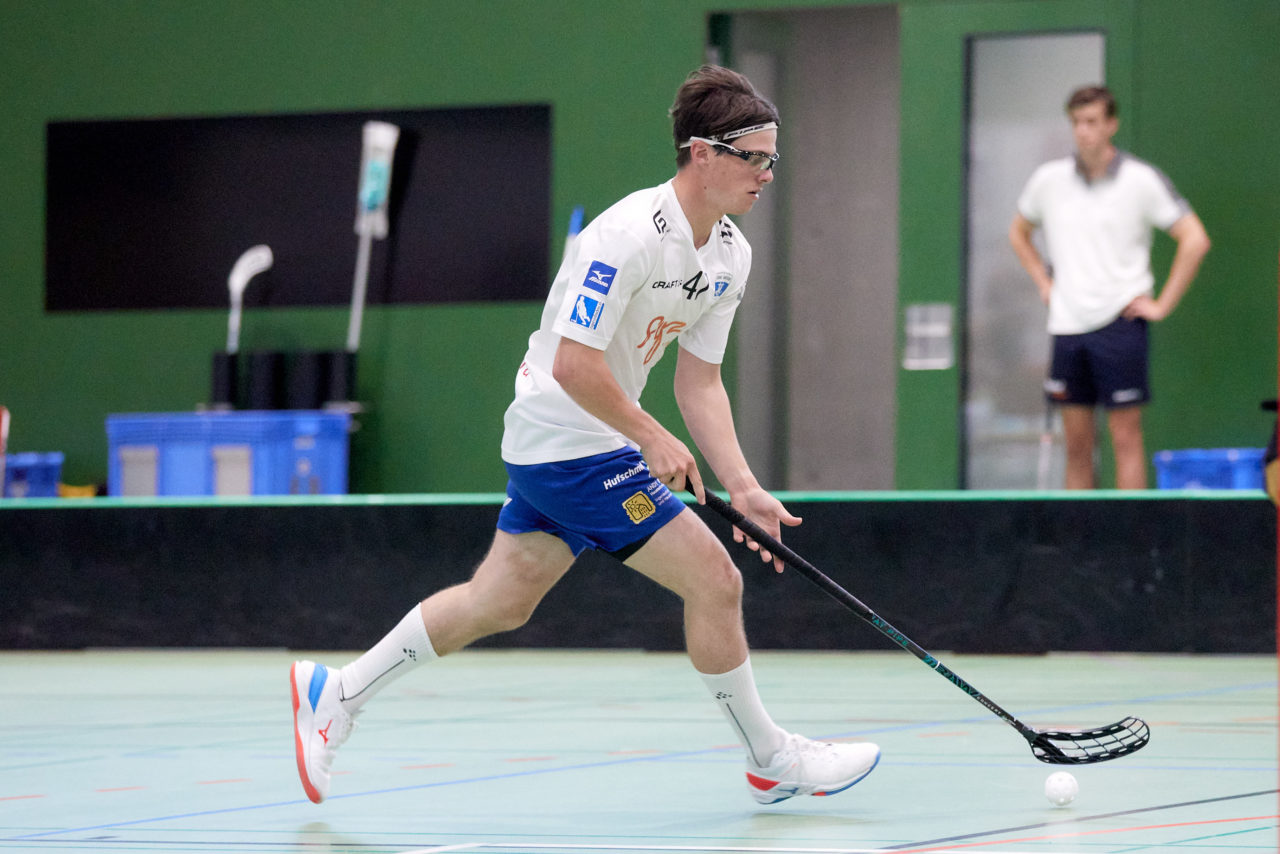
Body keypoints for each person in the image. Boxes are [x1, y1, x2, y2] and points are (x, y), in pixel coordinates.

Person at [290, 65, 880, 807]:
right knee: (715, 579)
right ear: (702, 153)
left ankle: (336, 692)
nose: (766, 174)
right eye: (753, 158)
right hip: (567, 440)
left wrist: (745, 485)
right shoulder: (625, 237)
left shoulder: (731, 254)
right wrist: (649, 438)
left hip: (590, 439)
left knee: (500, 600)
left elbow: (699, 383)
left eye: (772, 159)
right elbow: (574, 362)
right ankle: (770, 758)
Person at [1008, 85, 1211, 489]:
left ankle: (1130, 546)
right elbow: (1018, 232)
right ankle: (1080, 544)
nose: (1084, 132)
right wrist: (1044, 283)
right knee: (1078, 446)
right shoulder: (1048, 180)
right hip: (1067, 327)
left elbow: (1195, 239)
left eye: (1092, 122)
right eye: (1077, 123)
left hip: (1120, 324)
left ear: (1111, 125)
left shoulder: (1142, 180)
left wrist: (1162, 304)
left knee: (1125, 438)